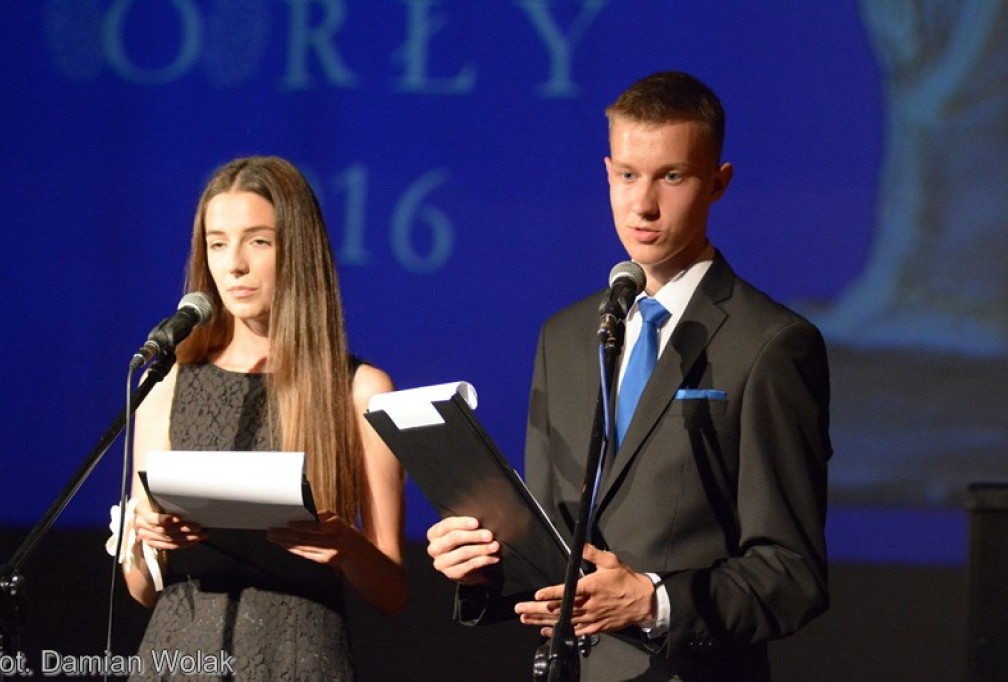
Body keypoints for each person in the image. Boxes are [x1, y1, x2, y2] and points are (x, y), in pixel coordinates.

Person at [426, 72, 832, 681]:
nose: (643, 204)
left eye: (672, 176)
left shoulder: (771, 344)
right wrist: (484, 565)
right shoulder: (565, 337)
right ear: (607, 173)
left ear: (718, 182)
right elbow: (553, 550)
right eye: (627, 175)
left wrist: (654, 602)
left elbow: (792, 574)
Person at [115, 156, 406, 680]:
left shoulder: (360, 390)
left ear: (298, 249)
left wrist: (345, 546)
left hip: (298, 660)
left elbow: (391, 593)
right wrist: (149, 540)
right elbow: (141, 590)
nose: (234, 265)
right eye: (217, 243)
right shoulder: (166, 382)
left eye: (259, 242)